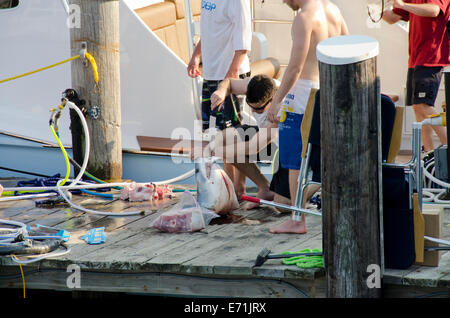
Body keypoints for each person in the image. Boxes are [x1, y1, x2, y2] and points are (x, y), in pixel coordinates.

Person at [266, 0, 349, 234]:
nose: (283, 1)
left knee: (294, 159)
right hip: (326, 90)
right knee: (319, 155)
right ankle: (308, 207)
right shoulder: (334, 10)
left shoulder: (304, 17)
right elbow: (347, 49)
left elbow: (294, 67)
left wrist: (276, 101)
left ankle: (297, 218)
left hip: (302, 95)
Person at [192, 74, 292, 210]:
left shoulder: (281, 107)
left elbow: (254, 147)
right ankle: (265, 188)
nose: (252, 111)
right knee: (224, 139)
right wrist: (221, 91)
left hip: (289, 148)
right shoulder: (255, 84)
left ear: (272, 100)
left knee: (283, 206)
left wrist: (210, 150)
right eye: (250, 106)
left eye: (258, 109)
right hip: (267, 139)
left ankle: (314, 188)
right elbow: (228, 82)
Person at [187, 0, 252, 198]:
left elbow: (243, 42)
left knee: (234, 135)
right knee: (219, 135)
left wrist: (230, 78)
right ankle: (229, 190)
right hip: (211, 74)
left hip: (230, 75)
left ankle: (237, 190)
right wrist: (196, 56)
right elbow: (208, 31)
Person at [383, 0, 449, 152]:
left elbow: (434, 10)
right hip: (415, 59)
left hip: (431, 57)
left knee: (422, 105)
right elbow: (393, 17)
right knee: (418, 110)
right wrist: (376, 10)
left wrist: (403, 5)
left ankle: (447, 148)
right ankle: (429, 157)